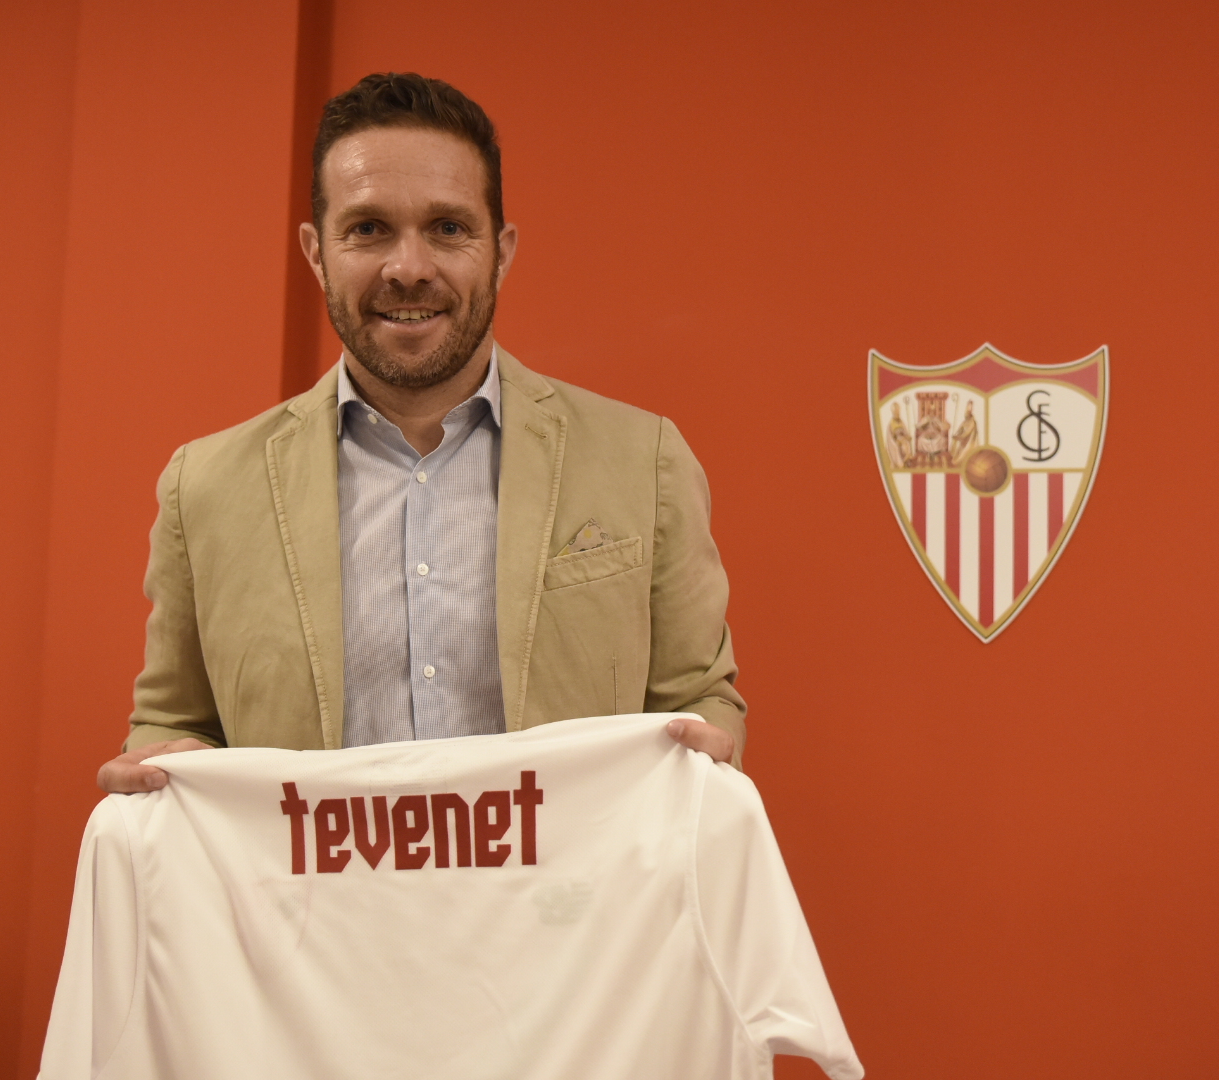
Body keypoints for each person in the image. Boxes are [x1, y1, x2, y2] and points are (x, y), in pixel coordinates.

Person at [97, 73, 744, 794]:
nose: (409, 269)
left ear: (500, 250)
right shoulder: (206, 488)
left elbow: (699, 698)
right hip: (311, 907)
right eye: (369, 229)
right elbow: (173, 718)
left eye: (448, 228)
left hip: (565, 905)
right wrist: (165, 757)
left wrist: (705, 749)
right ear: (316, 252)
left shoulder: (641, 460)